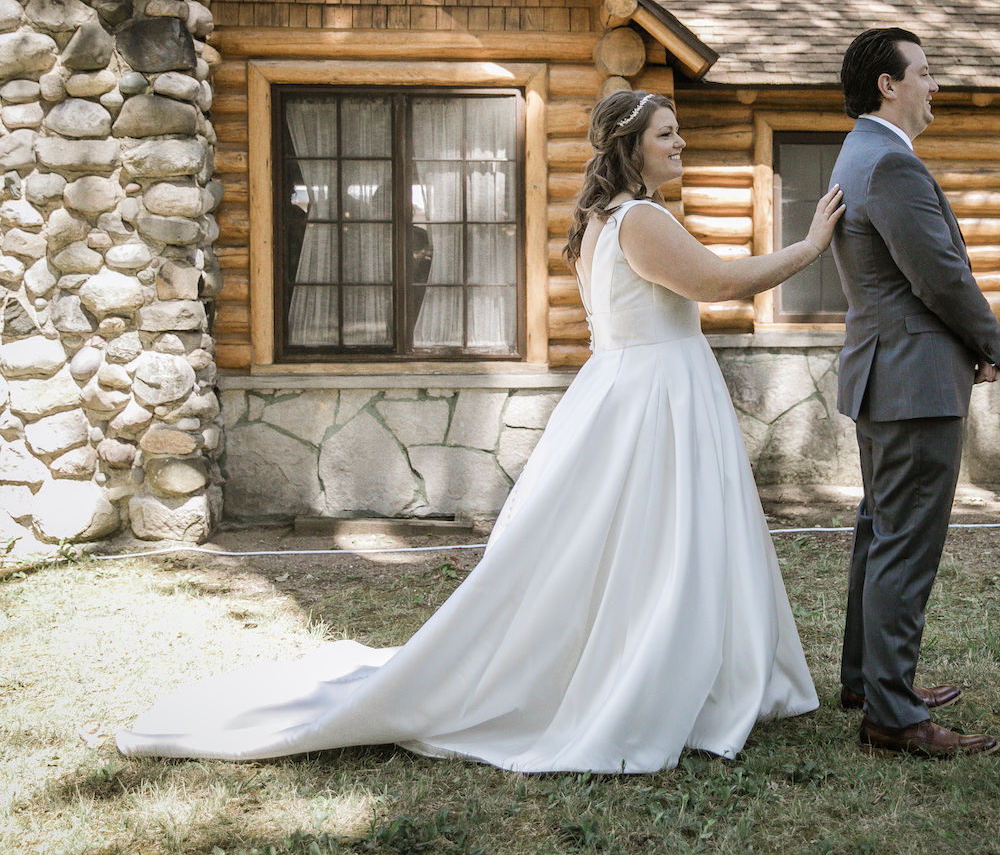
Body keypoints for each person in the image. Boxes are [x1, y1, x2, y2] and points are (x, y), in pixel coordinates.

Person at [116, 90, 845, 774]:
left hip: (633, 390)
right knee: (662, 538)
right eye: (667, 134)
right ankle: (657, 678)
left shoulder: (603, 220)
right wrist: (810, 247)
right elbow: (716, 284)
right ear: (632, 146)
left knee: (639, 542)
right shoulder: (640, 220)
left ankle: (667, 666)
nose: (680, 141)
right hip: (656, 398)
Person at [828, 28, 1000, 758]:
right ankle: (894, 717)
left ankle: (870, 683)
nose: (936, 87)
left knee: (882, 531)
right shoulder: (890, 164)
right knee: (906, 543)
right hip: (914, 381)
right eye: (926, 74)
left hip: (886, 372)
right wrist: (991, 342)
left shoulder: (857, 153)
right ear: (888, 84)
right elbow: (938, 273)